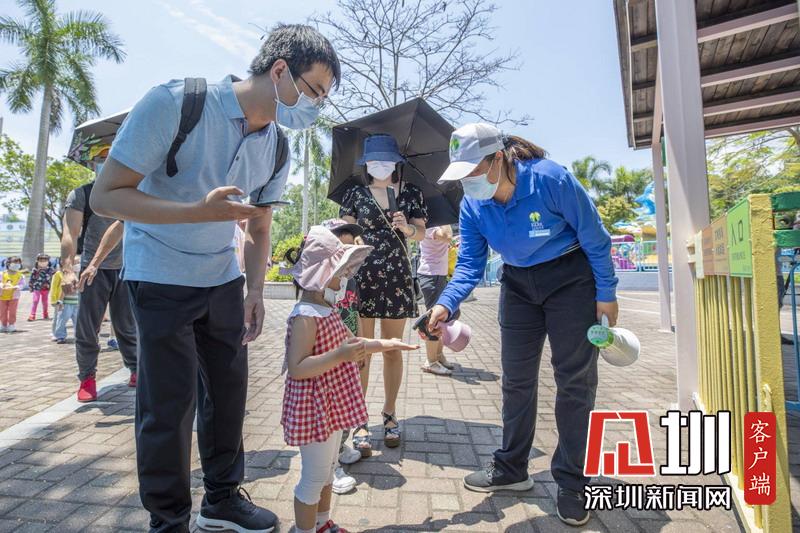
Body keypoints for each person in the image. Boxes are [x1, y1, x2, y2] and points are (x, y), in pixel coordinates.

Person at [89, 24, 340, 533]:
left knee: (227, 396)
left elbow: (259, 225)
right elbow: (106, 196)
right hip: (159, 274)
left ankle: (222, 500)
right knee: (168, 405)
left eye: (323, 98)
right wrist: (196, 213)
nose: (315, 106)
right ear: (279, 70)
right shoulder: (177, 104)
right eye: (313, 91)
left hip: (222, 278)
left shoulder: (276, 146)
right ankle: (168, 520)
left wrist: (254, 289)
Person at [426, 123, 619, 527]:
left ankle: (573, 482)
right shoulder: (473, 204)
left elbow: (595, 237)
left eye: (473, 171)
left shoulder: (550, 179)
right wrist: (445, 304)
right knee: (516, 380)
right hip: (517, 285)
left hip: (570, 279)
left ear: (498, 158)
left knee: (574, 380)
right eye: (461, 175)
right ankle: (512, 467)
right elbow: (470, 264)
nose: (468, 182)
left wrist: (606, 293)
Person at [280, 226, 417, 533]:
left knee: (328, 471)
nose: (344, 278)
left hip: (329, 407)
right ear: (320, 273)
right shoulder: (306, 315)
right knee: (313, 478)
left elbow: (355, 343)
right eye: (339, 272)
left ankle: (322, 523)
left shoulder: (326, 309)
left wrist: (389, 344)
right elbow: (297, 367)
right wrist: (339, 356)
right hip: (313, 409)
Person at [339, 133, 427, 455]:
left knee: (392, 348)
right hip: (362, 276)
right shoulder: (355, 194)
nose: (380, 166)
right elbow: (342, 232)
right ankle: (359, 419)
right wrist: (352, 239)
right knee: (361, 350)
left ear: (396, 163)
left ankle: (390, 414)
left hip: (397, 278)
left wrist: (407, 228)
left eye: (385, 160)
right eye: (373, 161)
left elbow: (421, 233)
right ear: (366, 164)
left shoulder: (411, 193)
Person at [62, 160, 138, 401]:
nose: (105, 162)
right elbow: (70, 233)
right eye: (100, 158)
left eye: (111, 156)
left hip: (128, 268)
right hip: (92, 271)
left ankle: (136, 369)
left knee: (128, 326)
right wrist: (67, 270)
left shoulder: (132, 193)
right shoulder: (82, 195)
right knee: (87, 327)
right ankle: (87, 377)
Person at [320, 218, 367, 495]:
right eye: (341, 249)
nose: (347, 257)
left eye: (351, 250)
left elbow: (355, 311)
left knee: (345, 403)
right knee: (329, 407)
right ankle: (329, 466)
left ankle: (339, 447)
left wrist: (360, 344)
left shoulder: (350, 280)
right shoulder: (319, 282)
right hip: (328, 354)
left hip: (348, 350)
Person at [417, 225, 455, 375]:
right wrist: (447, 222)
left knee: (443, 319)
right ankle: (431, 362)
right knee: (434, 320)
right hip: (430, 275)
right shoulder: (430, 225)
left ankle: (438, 356)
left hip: (439, 275)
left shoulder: (436, 224)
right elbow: (447, 236)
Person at [51, 260, 80, 344]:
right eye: (75, 263)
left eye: (78, 263)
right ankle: (60, 336)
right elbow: (63, 291)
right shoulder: (67, 276)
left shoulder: (78, 275)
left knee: (78, 322)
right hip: (67, 304)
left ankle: (79, 336)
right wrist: (60, 302)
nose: (77, 265)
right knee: (62, 320)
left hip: (76, 304)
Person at [0, 256, 25, 333]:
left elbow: (22, 284)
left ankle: (11, 324)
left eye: (18, 263)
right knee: (2, 311)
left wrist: (17, 287)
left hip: (14, 297)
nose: (17, 264)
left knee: (12, 311)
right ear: (8, 263)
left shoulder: (20, 275)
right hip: (2, 296)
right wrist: (1, 285)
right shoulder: (2, 274)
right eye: (15, 263)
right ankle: (3, 324)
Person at [27, 253, 55, 321]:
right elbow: (31, 278)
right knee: (35, 300)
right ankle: (32, 315)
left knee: (45, 302)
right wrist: (30, 286)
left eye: (45, 260)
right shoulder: (35, 270)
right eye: (41, 260)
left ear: (48, 261)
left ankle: (45, 314)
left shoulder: (50, 270)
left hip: (46, 288)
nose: (43, 262)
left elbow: (54, 278)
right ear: (37, 261)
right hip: (37, 287)